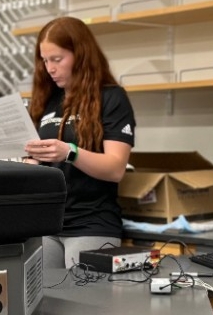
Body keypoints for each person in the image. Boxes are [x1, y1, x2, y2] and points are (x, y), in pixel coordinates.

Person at [23, 16, 135, 269]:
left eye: (57, 59)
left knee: (84, 303)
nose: (49, 68)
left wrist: (70, 152)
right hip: (47, 223)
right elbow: (39, 164)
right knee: (41, 300)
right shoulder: (48, 100)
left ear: (81, 55)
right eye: (44, 60)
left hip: (91, 223)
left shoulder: (111, 98)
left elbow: (116, 168)